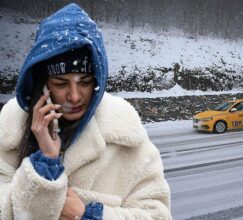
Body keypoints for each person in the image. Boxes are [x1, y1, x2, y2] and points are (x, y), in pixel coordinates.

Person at [0, 3, 171, 220]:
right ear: (43, 84)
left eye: (85, 82)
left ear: (97, 81)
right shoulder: (9, 130)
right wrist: (45, 163)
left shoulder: (125, 134)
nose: (74, 96)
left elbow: (158, 215)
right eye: (61, 83)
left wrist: (88, 215)